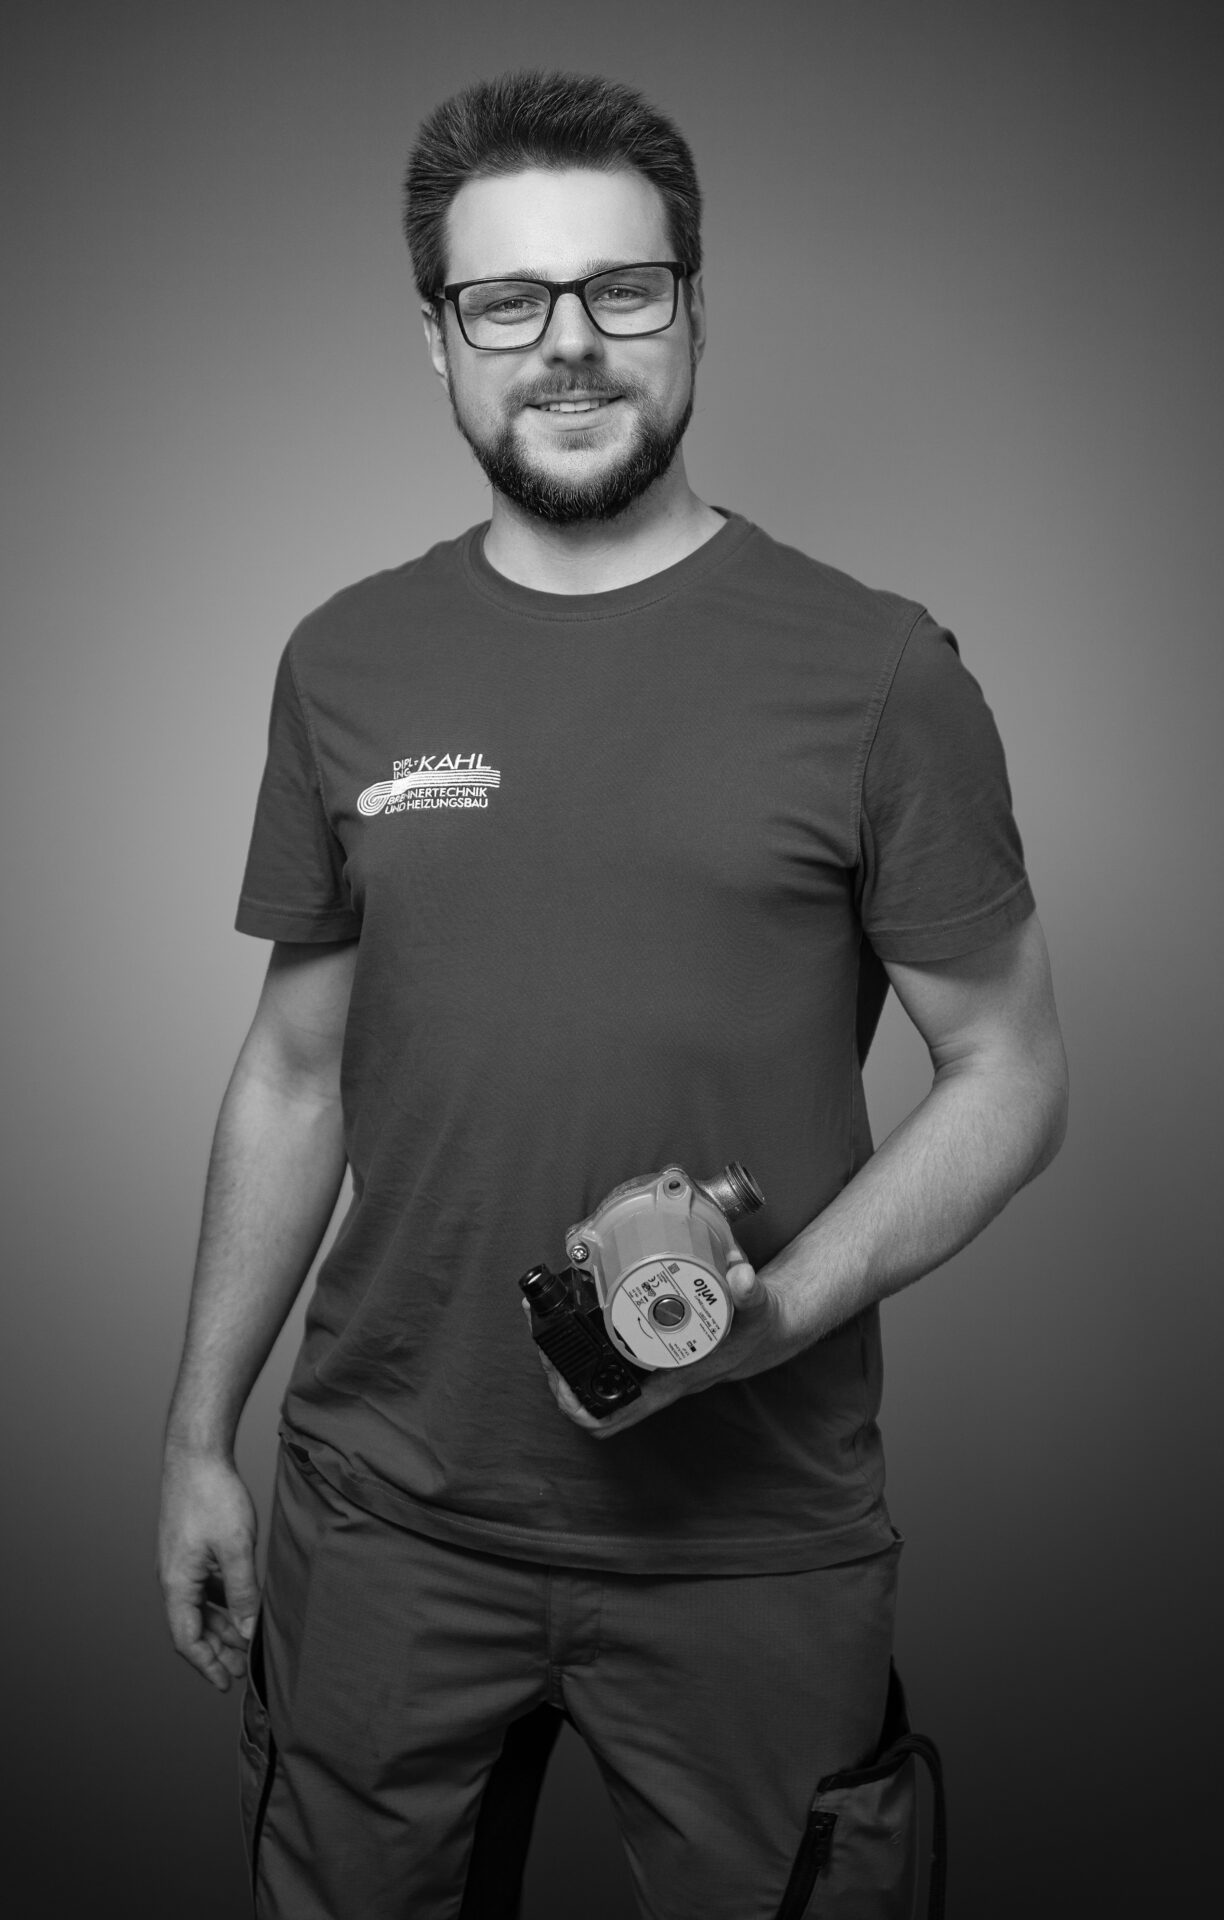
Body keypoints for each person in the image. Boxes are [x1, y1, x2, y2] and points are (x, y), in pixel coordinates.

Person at [157, 69, 1068, 1920]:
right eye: (507, 301)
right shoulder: (345, 660)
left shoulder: (882, 672)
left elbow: (1010, 1072)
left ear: (693, 310)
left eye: (620, 289)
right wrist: (196, 1437)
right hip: (387, 1520)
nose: (567, 344)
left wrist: (777, 1314)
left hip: (752, 1536)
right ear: (438, 341)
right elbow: (296, 1073)